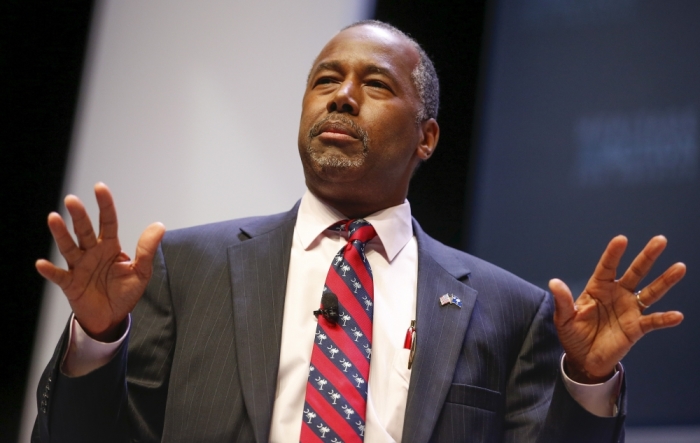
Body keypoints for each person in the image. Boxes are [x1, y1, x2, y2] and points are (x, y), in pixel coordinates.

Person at [32, 20, 685, 443]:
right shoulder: (184, 268)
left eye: (373, 84)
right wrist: (96, 340)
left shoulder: (509, 309)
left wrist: (586, 382)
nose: (341, 97)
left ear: (427, 136)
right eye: (324, 81)